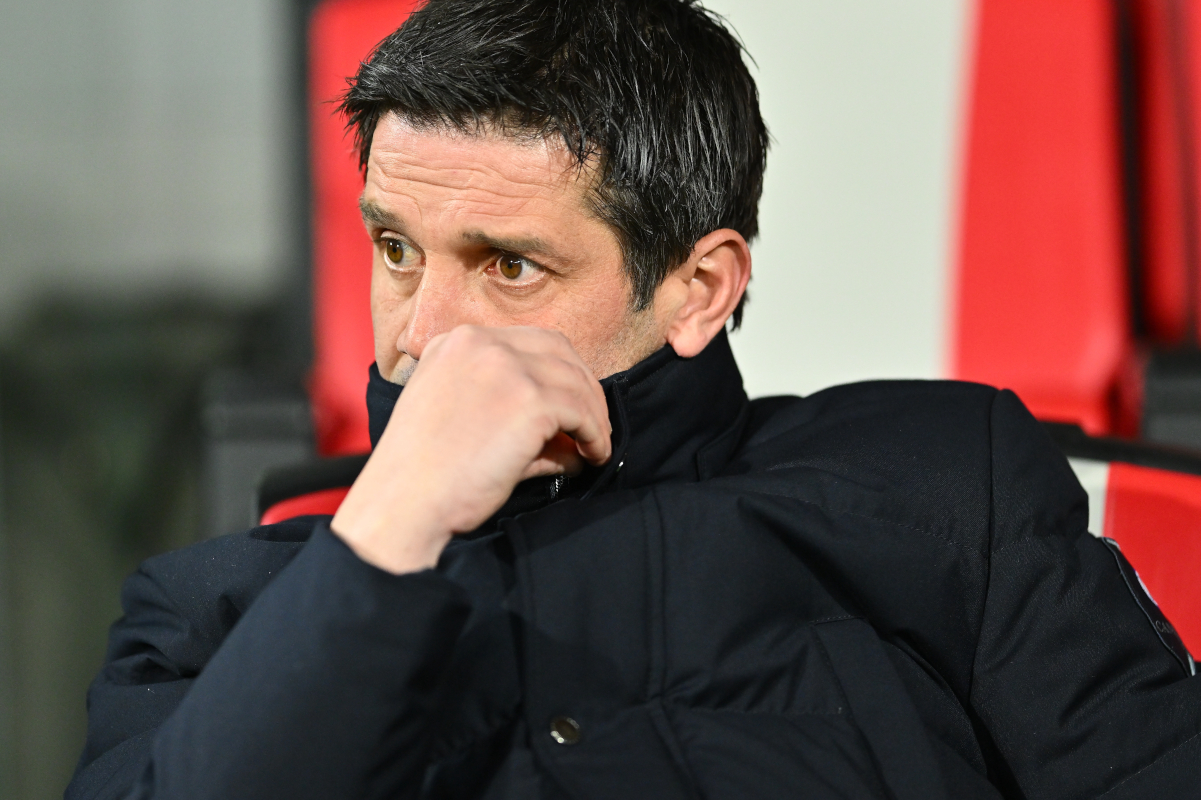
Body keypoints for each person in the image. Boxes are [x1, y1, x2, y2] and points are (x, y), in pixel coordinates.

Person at [68, 0, 1201, 797]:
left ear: (698, 289)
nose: (423, 335)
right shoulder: (211, 612)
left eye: (510, 266)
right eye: (396, 249)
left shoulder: (945, 485)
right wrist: (391, 527)